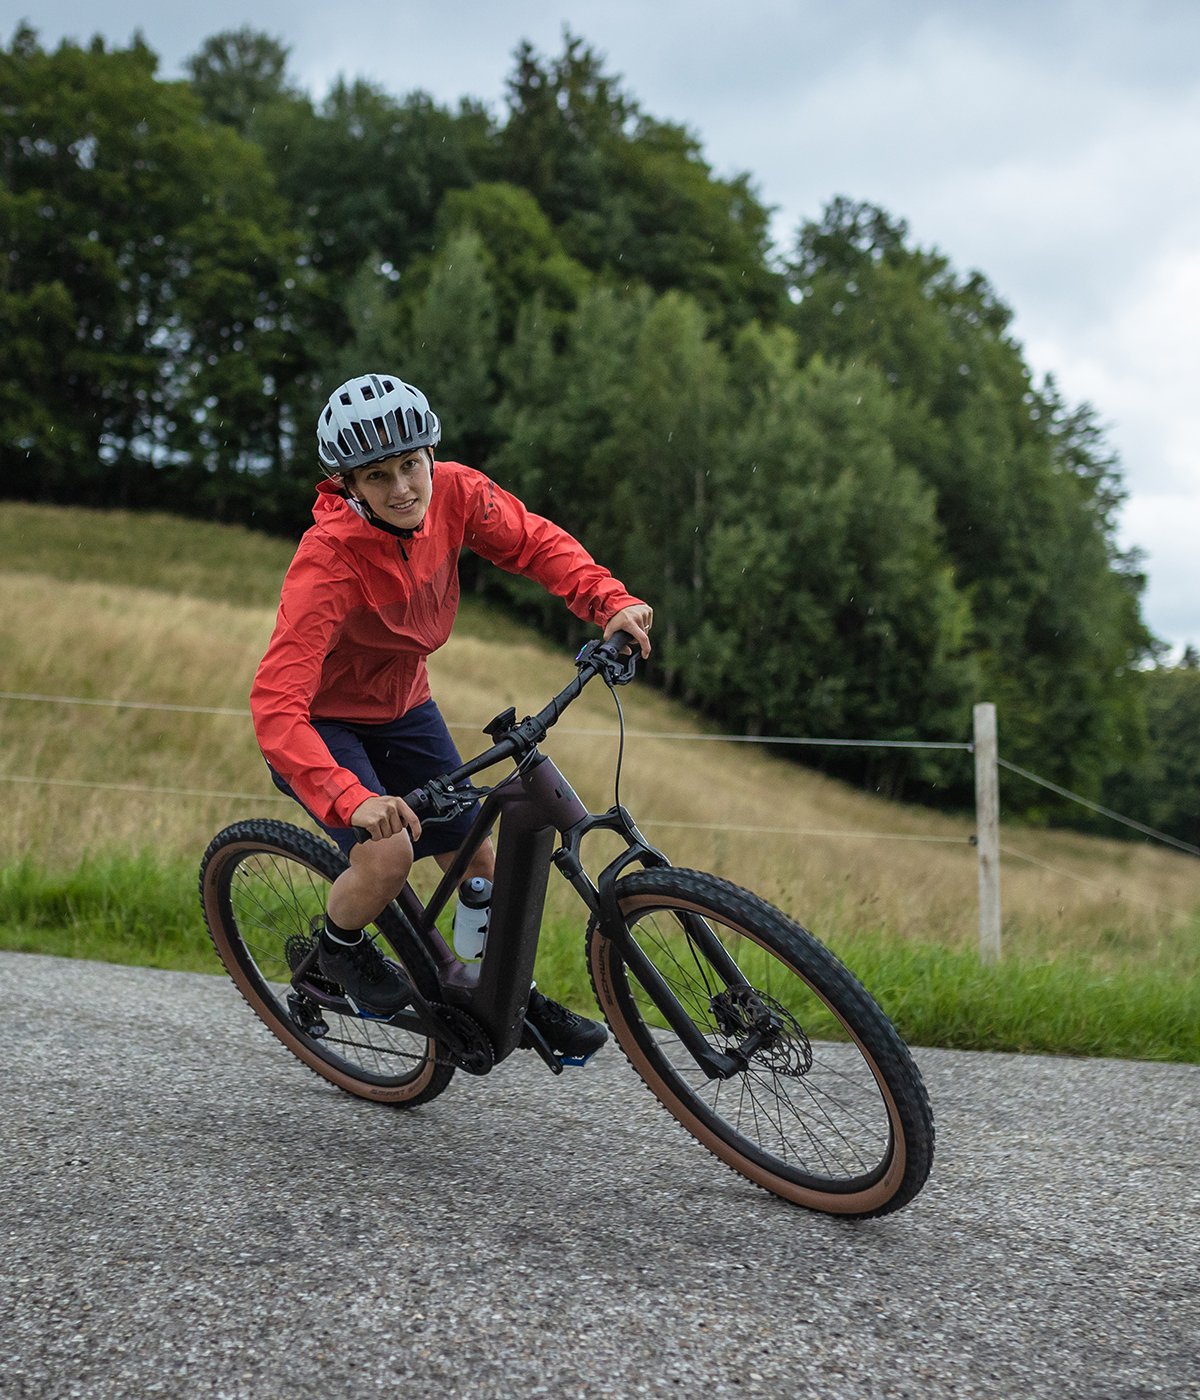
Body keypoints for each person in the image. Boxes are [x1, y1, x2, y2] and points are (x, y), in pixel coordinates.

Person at [250, 372, 652, 1059]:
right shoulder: (328, 561)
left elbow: (533, 541)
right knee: (389, 854)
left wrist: (604, 599)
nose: (403, 487)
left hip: (406, 705)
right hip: (325, 725)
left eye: (411, 464)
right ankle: (340, 947)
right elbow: (276, 704)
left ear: (431, 453)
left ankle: (494, 990)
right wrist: (352, 797)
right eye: (378, 476)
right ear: (347, 485)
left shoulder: (457, 493)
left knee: (476, 863)